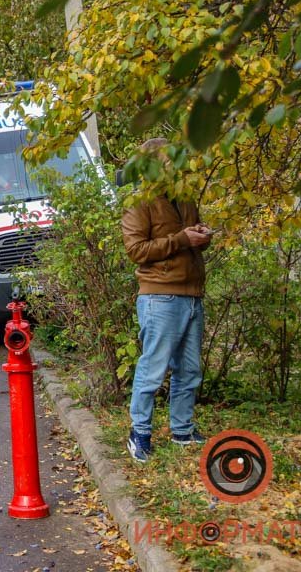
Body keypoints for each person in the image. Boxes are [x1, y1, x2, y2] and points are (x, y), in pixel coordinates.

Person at [121, 138, 211, 462]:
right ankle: (139, 434)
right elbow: (136, 250)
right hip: (160, 295)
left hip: (191, 292)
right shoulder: (140, 200)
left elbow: (187, 238)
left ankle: (182, 431)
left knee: (189, 369)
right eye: (172, 159)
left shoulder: (184, 196)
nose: (180, 164)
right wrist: (182, 239)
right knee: (153, 368)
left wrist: (200, 235)